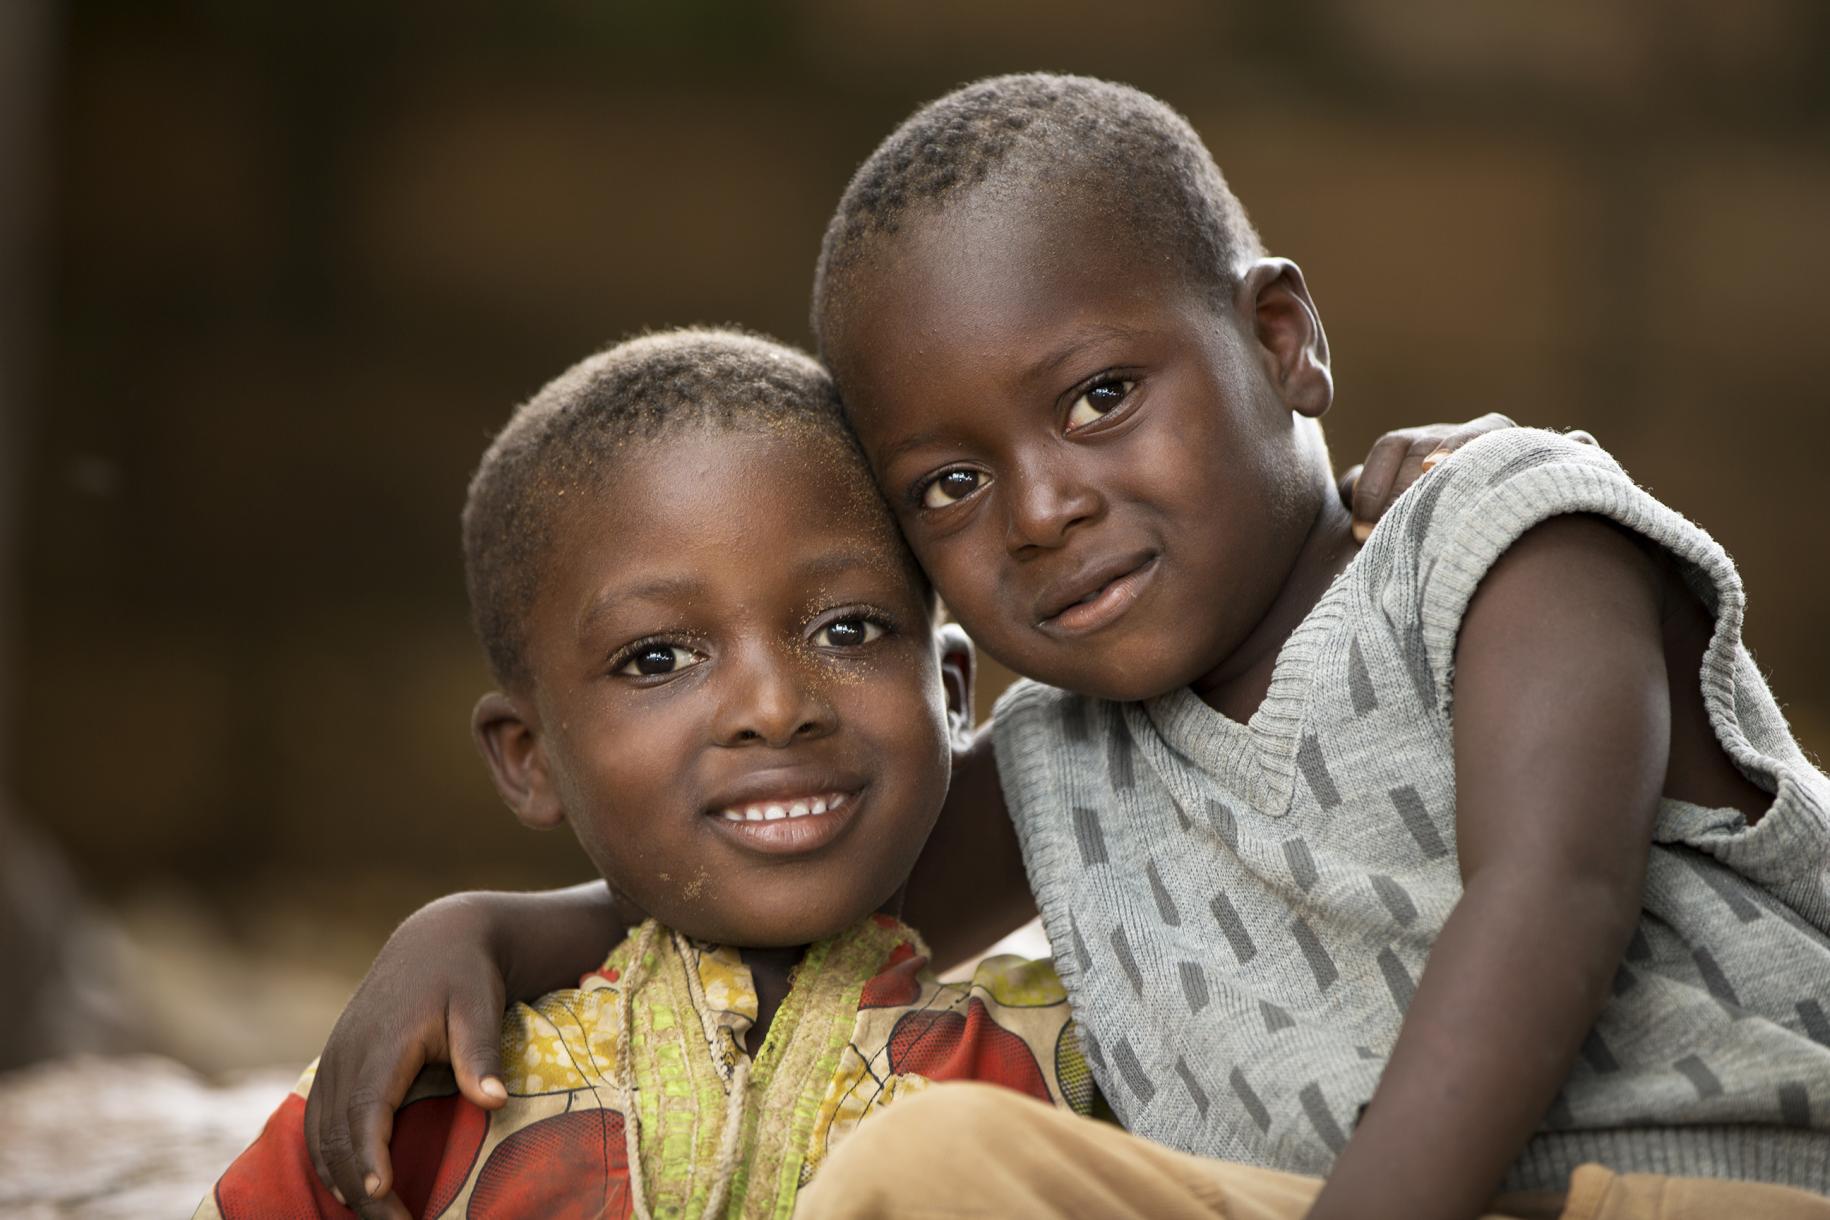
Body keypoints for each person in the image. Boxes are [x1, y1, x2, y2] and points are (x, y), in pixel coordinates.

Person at [320, 75, 1830, 1218]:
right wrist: (485, 929)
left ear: (1281, 341)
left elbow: (1550, 895)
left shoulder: (1501, 541)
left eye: (1101, 396)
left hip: (1700, 1187)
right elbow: (793, 870)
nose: (1041, 509)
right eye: (949, 485)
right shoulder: (1063, 760)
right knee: (931, 1166)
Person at [196, 329, 1099, 1220]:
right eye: (658, 658)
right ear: (529, 757)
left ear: (951, 693)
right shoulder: (421, 1093)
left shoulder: (1085, 1061)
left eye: (847, 630)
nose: (774, 706)